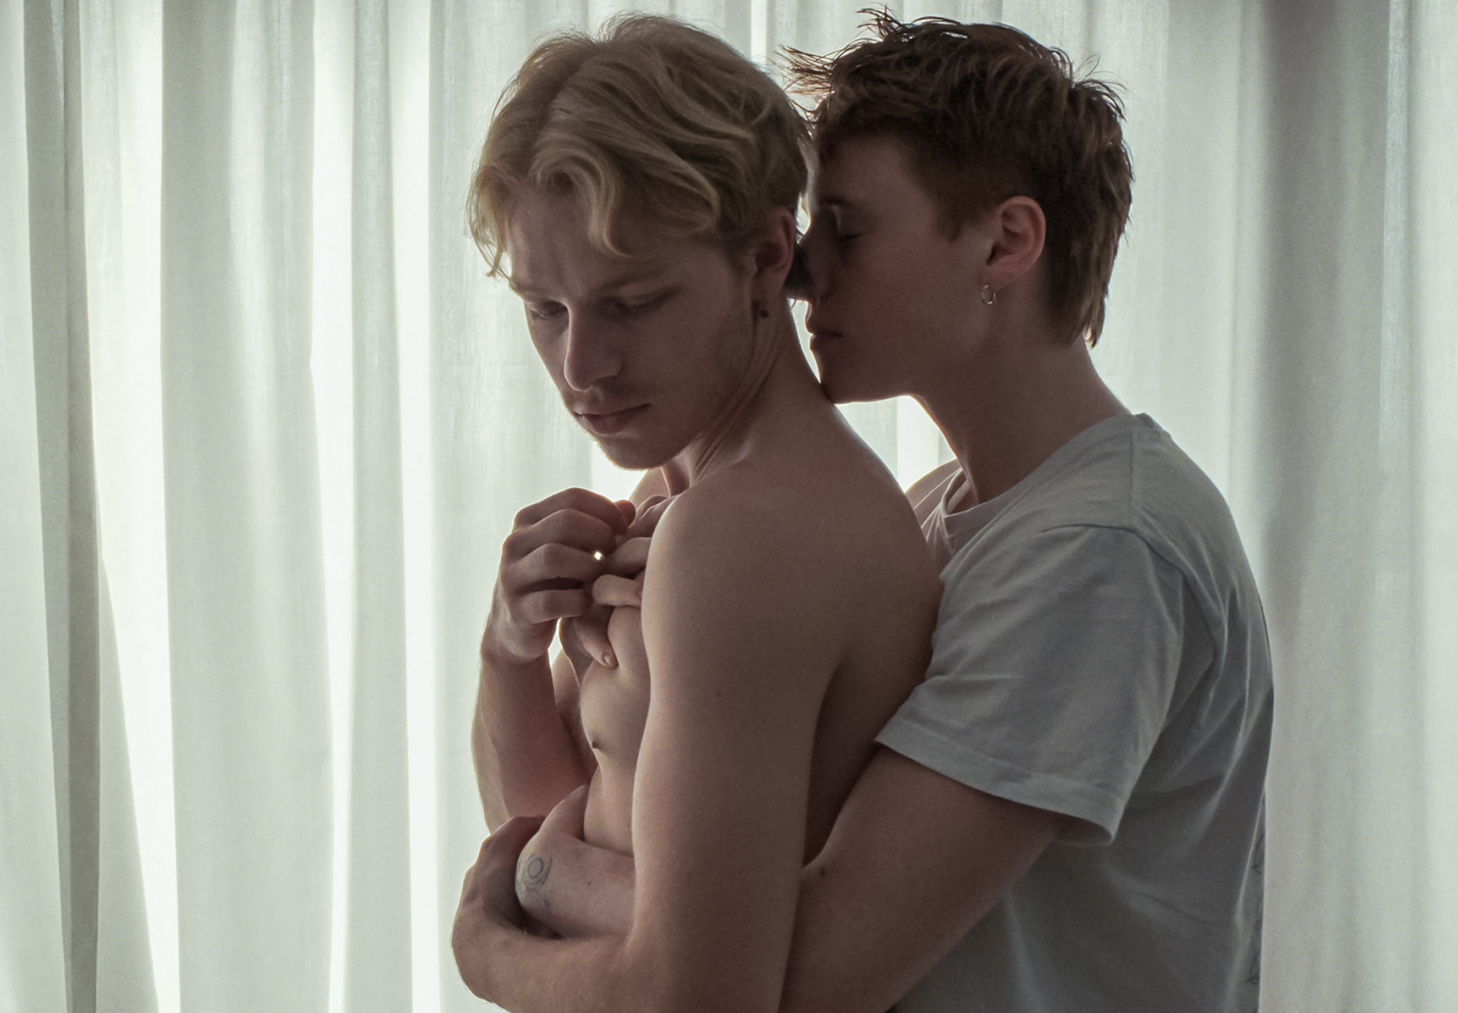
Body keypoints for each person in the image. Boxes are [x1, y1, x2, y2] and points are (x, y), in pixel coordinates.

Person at [458, 12, 1275, 1013]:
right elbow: (645, 852)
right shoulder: (939, 513)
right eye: (545, 307)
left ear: (1006, 242)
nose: (801, 271)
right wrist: (510, 650)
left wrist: (508, 918)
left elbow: (784, 974)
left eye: (844, 230)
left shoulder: (1103, 548)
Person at [454, 14, 942, 1011]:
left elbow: (701, 993)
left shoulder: (748, 533)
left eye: (632, 303)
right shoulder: (673, 502)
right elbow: (553, 821)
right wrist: (508, 649)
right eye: (545, 309)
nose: (581, 367)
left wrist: (482, 953)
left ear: (766, 257)